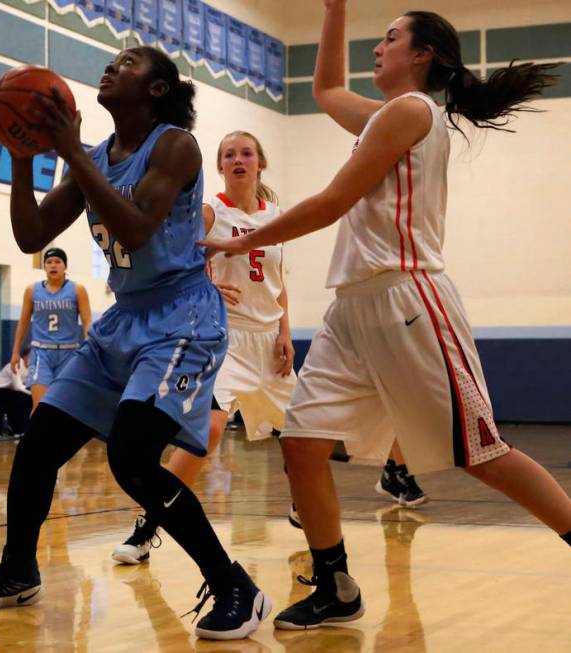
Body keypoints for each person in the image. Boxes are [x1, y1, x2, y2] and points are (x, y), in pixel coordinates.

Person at [200, 1, 571, 629]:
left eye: (392, 37)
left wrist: (240, 242)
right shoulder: (388, 115)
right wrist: (335, 10)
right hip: (353, 308)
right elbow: (324, 89)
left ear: (422, 54)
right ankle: (335, 585)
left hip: (410, 300)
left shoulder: (410, 113)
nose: (381, 46)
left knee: (481, 452)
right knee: (303, 443)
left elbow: (332, 201)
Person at [0, 46, 271, 640]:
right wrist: (23, 158)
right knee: (39, 442)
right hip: (124, 322)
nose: (111, 67)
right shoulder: (94, 158)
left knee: (130, 458)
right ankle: (17, 570)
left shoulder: (176, 144)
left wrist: (69, 150)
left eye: (127, 63)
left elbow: (135, 225)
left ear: (155, 89)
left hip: (183, 321)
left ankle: (234, 585)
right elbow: (31, 234)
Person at [112, 130, 298, 564]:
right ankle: (148, 525)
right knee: (209, 430)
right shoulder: (211, 212)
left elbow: (281, 284)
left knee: (305, 436)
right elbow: (175, 256)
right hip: (225, 335)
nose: (238, 159)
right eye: (229, 154)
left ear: (259, 163)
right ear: (219, 166)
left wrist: (286, 332)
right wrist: (209, 280)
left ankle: (305, 509)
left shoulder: (278, 217)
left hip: (269, 340)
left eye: (246, 153)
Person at [9, 247, 91, 409]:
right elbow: (23, 323)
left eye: (58, 262)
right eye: (49, 262)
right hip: (41, 353)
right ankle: (36, 435)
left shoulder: (77, 290)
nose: (53, 265)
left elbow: (87, 322)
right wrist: (15, 352)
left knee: (66, 406)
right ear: (44, 266)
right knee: (40, 407)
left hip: (69, 352)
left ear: (65, 266)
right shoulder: (32, 290)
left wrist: (90, 350)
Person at [0, 346, 32, 436]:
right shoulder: (16, 364)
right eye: (31, 356)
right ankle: (20, 430)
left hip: (10, 392)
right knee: (22, 398)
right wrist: (32, 394)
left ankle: (26, 429)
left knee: (27, 399)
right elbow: (18, 386)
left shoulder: (32, 369)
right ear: (25, 356)